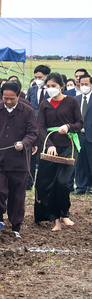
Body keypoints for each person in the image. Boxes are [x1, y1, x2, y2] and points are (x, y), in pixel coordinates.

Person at [0, 82, 38, 237]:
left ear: (18, 95)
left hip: (19, 162)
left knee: (17, 195)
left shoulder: (27, 111)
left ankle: (15, 226)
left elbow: (33, 132)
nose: (8, 101)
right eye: (5, 98)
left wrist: (24, 143)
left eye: (11, 98)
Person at [34, 73, 84, 231]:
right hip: (50, 147)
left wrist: (68, 127)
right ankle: (53, 218)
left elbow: (80, 123)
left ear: (61, 86)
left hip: (68, 146)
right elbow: (40, 127)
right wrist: (49, 144)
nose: (50, 89)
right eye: (48, 86)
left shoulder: (72, 101)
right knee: (47, 182)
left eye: (54, 86)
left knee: (61, 182)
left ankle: (64, 214)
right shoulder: (44, 104)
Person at [26, 65, 51, 190]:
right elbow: (28, 106)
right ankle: (29, 181)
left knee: (45, 153)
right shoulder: (32, 90)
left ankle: (44, 181)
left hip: (47, 127)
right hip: (33, 127)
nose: (37, 79)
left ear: (47, 76)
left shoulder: (51, 91)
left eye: (40, 77)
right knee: (31, 153)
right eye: (36, 77)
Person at [75, 74, 92, 194]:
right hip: (78, 136)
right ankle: (81, 186)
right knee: (79, 163)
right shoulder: (76, 99)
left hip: (90, 136)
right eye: (82, 84)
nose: (84, 86)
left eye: (87, 84)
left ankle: (90, 187)